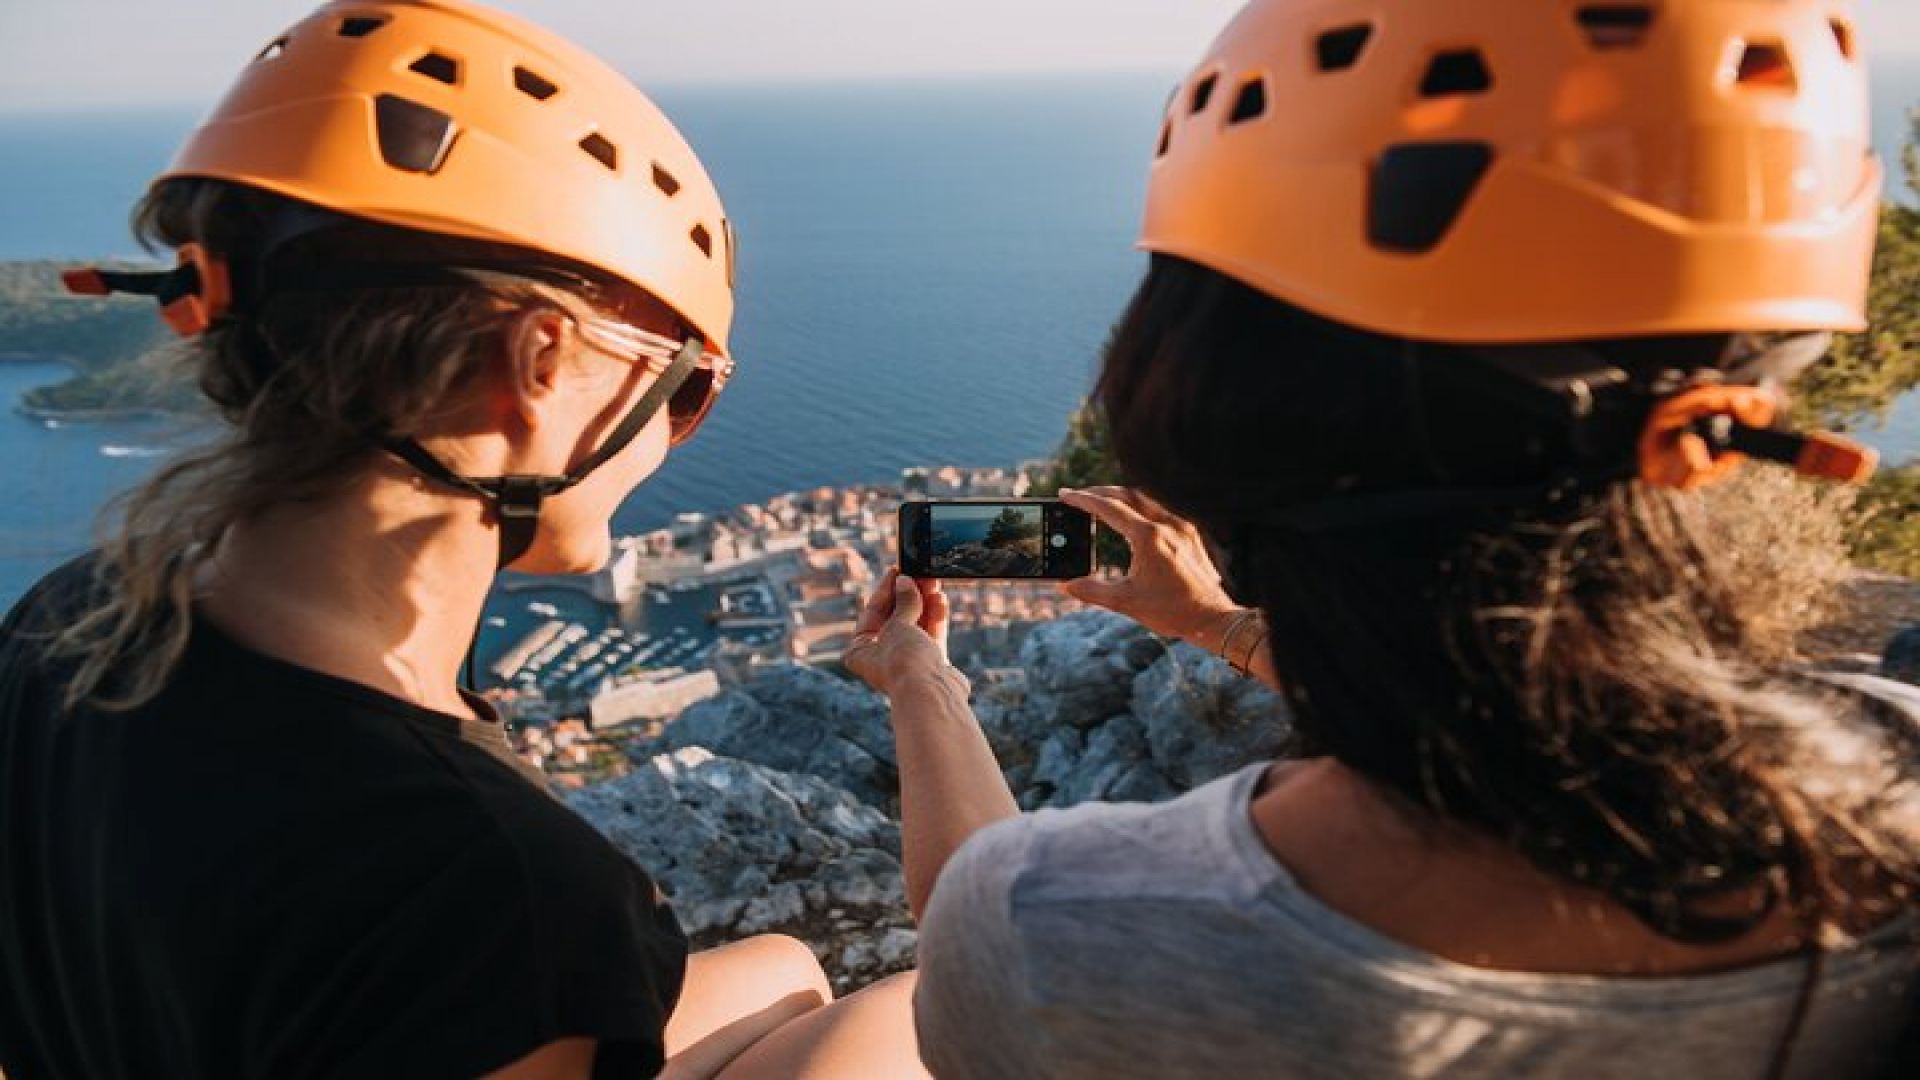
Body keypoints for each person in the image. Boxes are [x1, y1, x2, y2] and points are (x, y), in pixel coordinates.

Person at [844, 0, 1920, 1076]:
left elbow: (963, 938)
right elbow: (1519, 734)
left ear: (1204, 401)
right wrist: (1218, 624)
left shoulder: (1070, 939)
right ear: (1730, 418)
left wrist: (922, 683)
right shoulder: (1897, 779)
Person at [0, 2, 924, 1077]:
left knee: (784, 970)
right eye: (684, 391)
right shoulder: (495, 888)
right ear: (538, 365)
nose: (670, 439)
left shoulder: (69, 623)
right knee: (907, 1019)